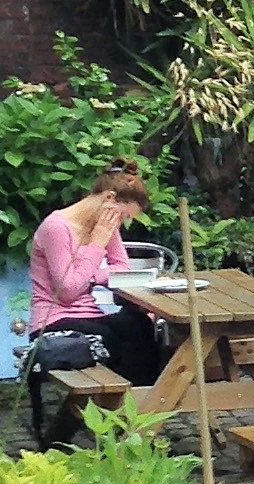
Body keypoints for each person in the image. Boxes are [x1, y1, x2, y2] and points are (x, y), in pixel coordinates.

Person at [27, 164, 167, 390]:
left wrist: (91, 277)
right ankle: (117, 407)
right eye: (123, 215)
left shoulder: (103, 224)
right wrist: (97, 244)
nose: (120, 223)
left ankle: (141, 404)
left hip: (90, 315)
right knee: (111, 339)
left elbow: (121, 266)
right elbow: (67, 291)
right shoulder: (56, 228)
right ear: (110, 198)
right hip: (53, 320)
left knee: (139, 325)